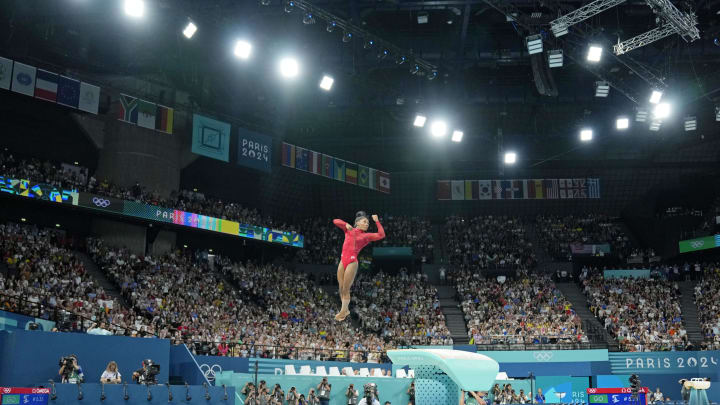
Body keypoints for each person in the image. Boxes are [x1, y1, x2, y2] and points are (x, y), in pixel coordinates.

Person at [333, 212, 385, 321]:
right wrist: (345, 224)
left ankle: (343, 311)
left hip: (352, 261)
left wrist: (377, 221)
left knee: (346, 288)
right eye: (365, 222)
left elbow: (381, 235)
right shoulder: (349, 229)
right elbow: (335, 221)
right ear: (357, 223)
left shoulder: (367, 236)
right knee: (341, 287)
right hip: (343, 260)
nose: (367, 224)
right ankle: (345, 309)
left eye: (368, 222)